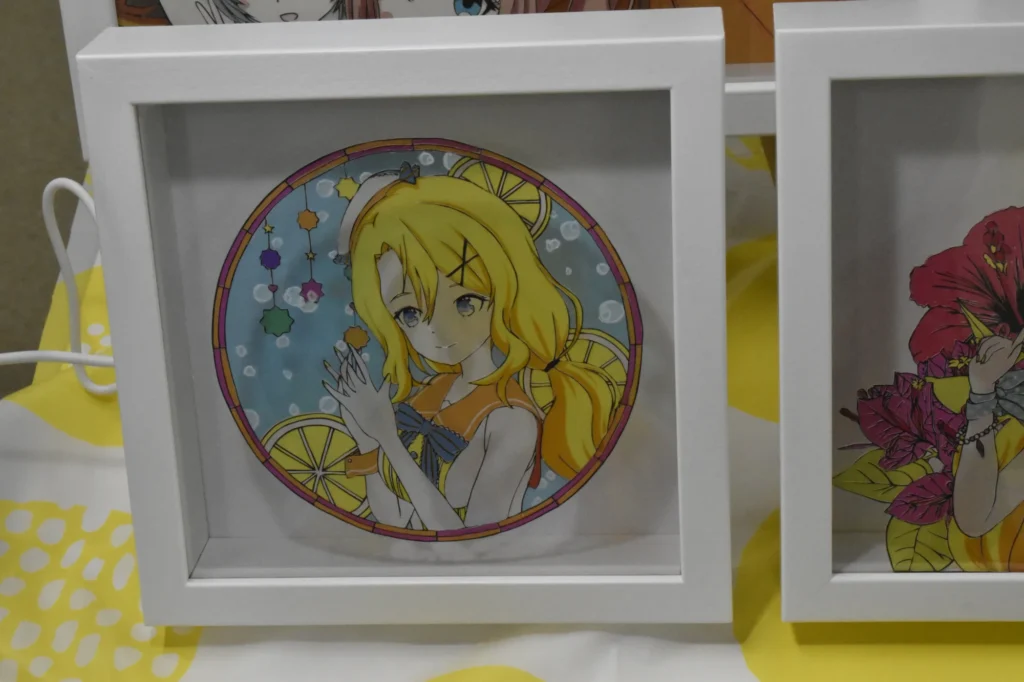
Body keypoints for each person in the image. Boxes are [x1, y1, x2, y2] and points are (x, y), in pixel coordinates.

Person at [323, 169, 615, 531]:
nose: (438, 330)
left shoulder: (511, 419)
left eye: (465, 302)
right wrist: (367, 435)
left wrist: (388, 441)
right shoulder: (431, 393)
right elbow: (394, 517)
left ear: (504, 293)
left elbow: (472, 541)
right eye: (410, 313)